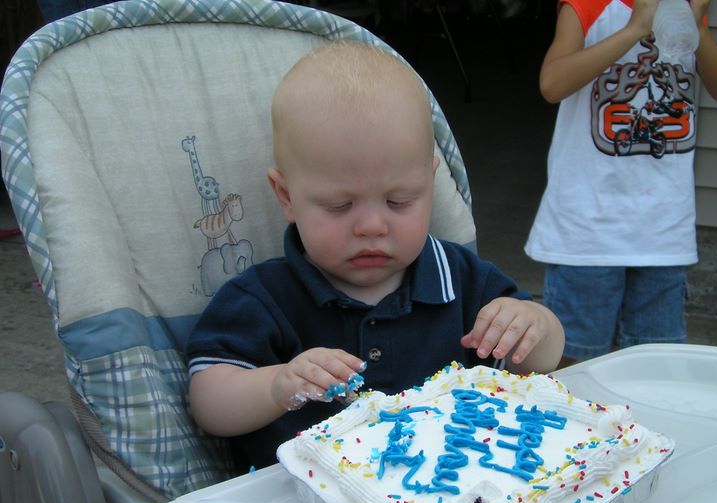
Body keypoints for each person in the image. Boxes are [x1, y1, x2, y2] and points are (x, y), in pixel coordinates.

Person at [186, 41, 565, 468]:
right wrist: (277, 385)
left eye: (400, 201)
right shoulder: (264, 297)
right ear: (286, 196)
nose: (372, 226)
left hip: (452, 498)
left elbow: (539, 361)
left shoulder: (460, 279)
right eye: (339, 206)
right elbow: (208, 402)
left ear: (430, 184)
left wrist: (536, 325)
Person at [524, 0, 717, 366]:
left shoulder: (686, 9)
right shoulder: (588, 6)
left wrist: (698, 28)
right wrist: (634, 30)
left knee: (654, 364)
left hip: (661, 231)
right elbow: (552, 83)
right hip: (587, 230)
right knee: (572, 361)